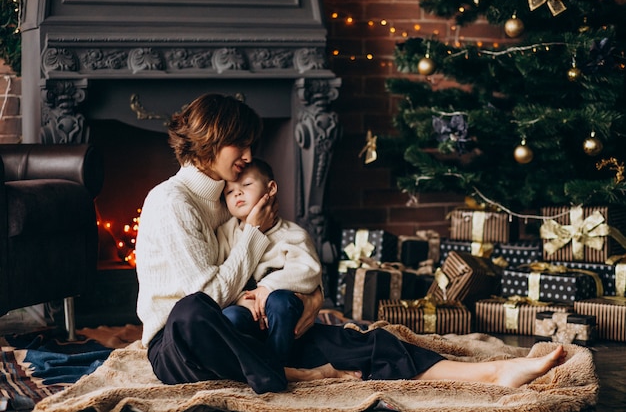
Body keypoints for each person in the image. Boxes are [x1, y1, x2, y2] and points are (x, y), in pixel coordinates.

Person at [135, 92, 567, 396]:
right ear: (210, 139)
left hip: (244, 334)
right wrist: (253, 231)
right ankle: (290, 376)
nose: (248, 154)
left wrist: (309, 298)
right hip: (181, 348)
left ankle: (491, 374)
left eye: (250, 144)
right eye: (239, 143)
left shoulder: (228, 199)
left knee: (359, 341)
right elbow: (206, 298)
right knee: (191, 310)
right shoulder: (171, 202)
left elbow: (270, 269)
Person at [217, 157, 323, 366]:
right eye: (230, 192)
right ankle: (249, 364)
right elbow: (221, 274)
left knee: (280, 302)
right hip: (245, 310)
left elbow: (308, 270)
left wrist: (268, 287)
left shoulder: (292, 234)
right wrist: (241, 299)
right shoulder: (225, 234)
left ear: (271, 188)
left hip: (282, 314)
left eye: (246, 185)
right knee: (230, 317)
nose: (237, 193)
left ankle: (278, 365)